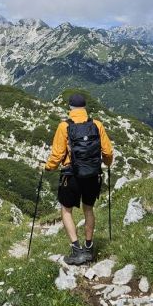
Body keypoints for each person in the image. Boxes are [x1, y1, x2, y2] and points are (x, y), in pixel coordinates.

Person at [45, 92, 113, 265]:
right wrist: (107, 163)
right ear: (85, 107)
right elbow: (107, 152)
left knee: (66, 210)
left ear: (70, 107)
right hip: (92, 174)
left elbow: (57, 154)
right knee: (88, 209)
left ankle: (77, 250)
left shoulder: (64, 126)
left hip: (71, 175)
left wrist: (48, 167)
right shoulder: (96, 124)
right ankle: (89, 248)